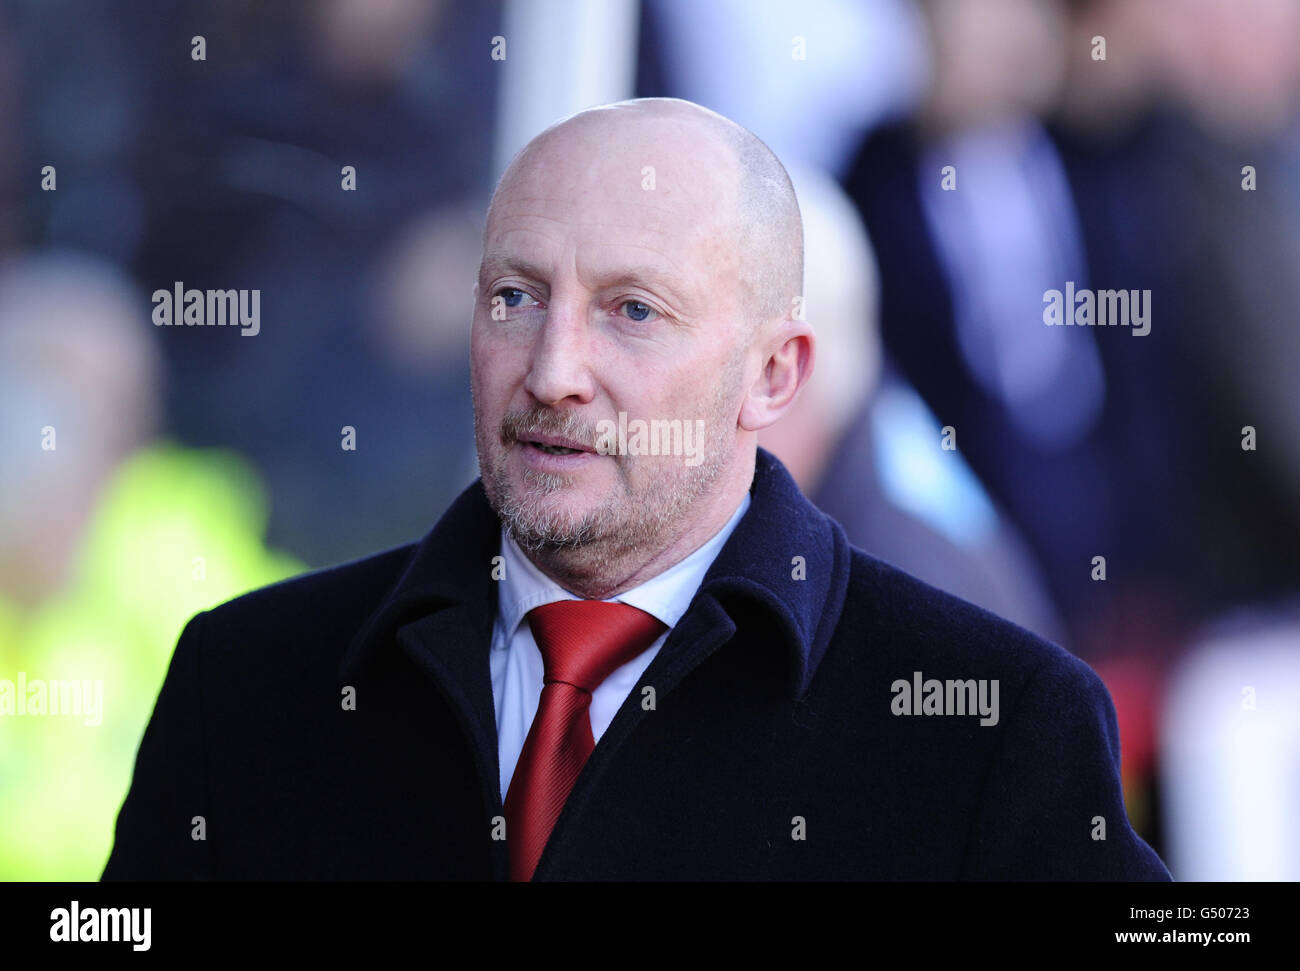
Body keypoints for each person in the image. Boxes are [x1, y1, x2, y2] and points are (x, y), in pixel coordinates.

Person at [103, 97, 1170, 880]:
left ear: (774, 373)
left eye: (632, 311)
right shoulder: (245, 684)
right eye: (515, 296)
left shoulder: (991, 725)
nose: (553, 366)